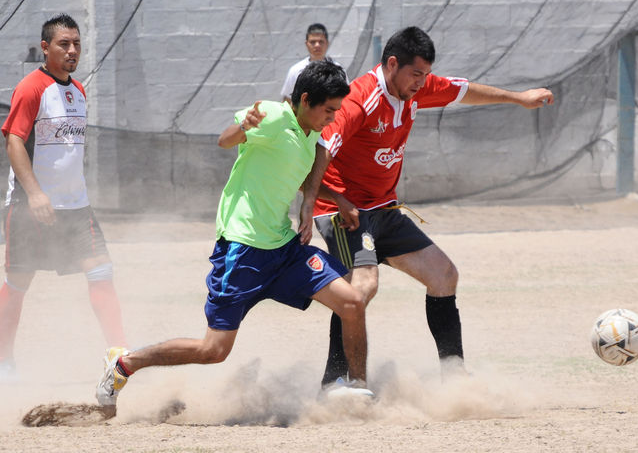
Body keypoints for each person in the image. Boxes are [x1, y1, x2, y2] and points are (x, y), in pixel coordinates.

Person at [96, 60, 372, 408]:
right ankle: (125, 363)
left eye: (336, 110)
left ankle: (356, 387)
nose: (332, 118)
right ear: (305, 100)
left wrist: (311, 200)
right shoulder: (272, 116)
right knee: (213, 350)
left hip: (284, 248)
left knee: (352, 302)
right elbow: (224, 140)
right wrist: (244, 126)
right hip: (243, 250)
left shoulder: (310, 129)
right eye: (328, 110)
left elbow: (316, 153)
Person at [299, 26, 554, 386]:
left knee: (443, 275)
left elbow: (464, 91)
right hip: (345, 211)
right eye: (415, 73)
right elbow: (321, 150)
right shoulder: (361, 98)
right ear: (392, 64)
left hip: (384, 209)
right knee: (361, 288)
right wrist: (315, 202)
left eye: (425, 74)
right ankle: (336, 383)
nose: (421, 82)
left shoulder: (417, 89)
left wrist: (519, 98)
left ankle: (454, 379)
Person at [0, 14, 127, 379]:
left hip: (77, 207)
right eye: (64, 44)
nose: (73, 51)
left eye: (77, 44)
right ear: (46, 48)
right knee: (19, 282)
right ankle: (4, 363)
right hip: (31, 207)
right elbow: (14, 142)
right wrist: (35, 194)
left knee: (101, 271)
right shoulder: (31, 88)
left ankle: (120, 360)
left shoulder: (79, 90)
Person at [280, 23, 344, 103]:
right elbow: (287, 100)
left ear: (327, 43)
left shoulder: (338, 70)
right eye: (313, 42)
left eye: (321, 41)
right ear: (306, 44)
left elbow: (345, 98)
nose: (317, 45)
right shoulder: (295, 70)